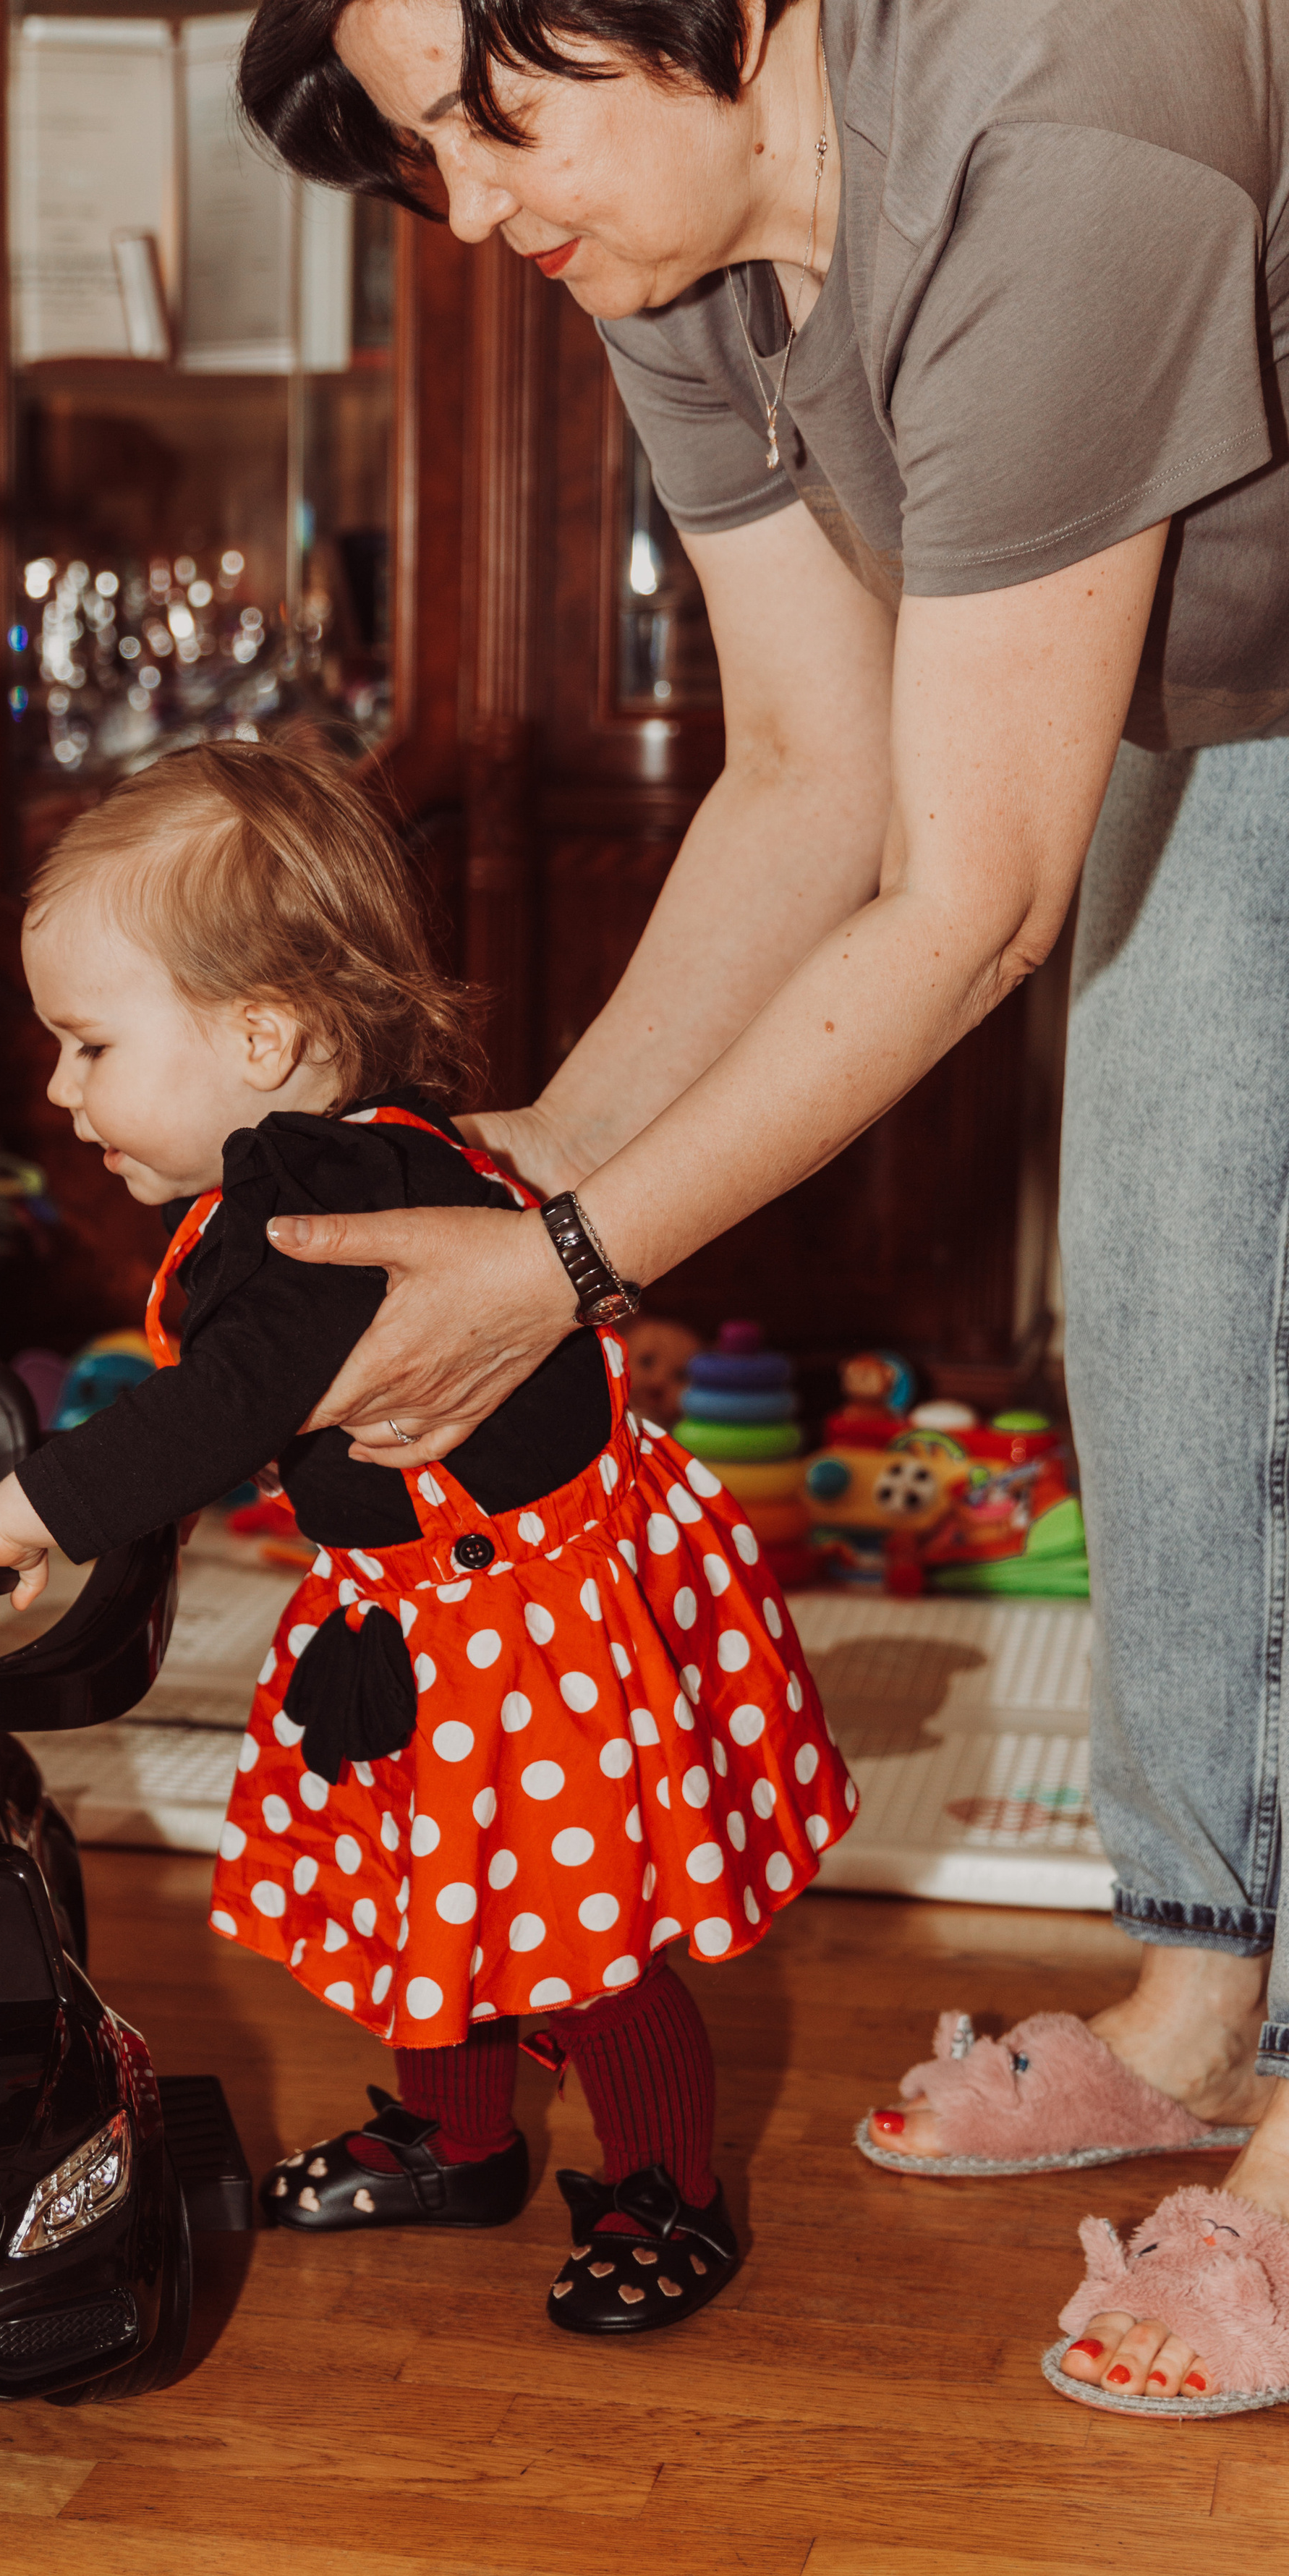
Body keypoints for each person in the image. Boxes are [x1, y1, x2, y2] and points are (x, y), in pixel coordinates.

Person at [232, 0, 1289, 2412]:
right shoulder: (681, 243)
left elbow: (970, 895)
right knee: (1164, 1293)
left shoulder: (1066, 110)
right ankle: (1209, 1988)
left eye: (508, 115)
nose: (482, 202)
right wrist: (496, 1199)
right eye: (435, 154)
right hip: (1233, 697)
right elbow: (808, 774)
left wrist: (568, 1270)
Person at [0, 740, 851, 2336]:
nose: (58, 1090)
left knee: (573, 1945)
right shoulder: (327, 1151)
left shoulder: (322, 1203)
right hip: (412, 1623)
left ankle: (665, 2186)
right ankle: (459, 2137)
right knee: (433, 1894)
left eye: (86, 1045)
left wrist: (28, 1510)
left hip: (520, 1642)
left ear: (260, 1034)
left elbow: (223, 1407)